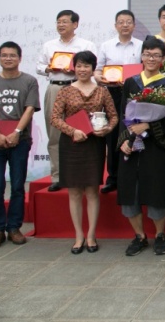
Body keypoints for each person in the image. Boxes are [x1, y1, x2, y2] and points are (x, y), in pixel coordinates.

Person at [117, 37, 165, 257]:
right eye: (147, 54)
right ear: (141, 56)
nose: (151, 58)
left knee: (156, 192)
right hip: (132, 145)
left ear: (163, 59)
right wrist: (124, 141)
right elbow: (123, 113)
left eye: (156, 55)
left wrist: (148, 125)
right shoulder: (131, 82)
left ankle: (160, 235)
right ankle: (140, 236)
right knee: (130, 194)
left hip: (156, 147)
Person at [51, 50, 118, 254]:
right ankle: (78, 235)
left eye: (86, 66)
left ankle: (91, 235)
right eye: (79, 65)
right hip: (72, 144)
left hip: (94, 144)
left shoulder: (102, 91)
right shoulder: (65, 91)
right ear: (74, 68)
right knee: (74, 192)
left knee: (92, 191)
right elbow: (55, 118)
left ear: (93, 68)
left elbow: (114, 116)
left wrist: (107, 129)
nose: (82, 69)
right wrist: (73, 131)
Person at [0, 41, 40, 250]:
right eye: (4, 55)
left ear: (20, 58)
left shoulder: (29, 81)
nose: (8, 58)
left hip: (19, 141)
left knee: (17, 186)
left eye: (12, 55)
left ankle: (14, 227)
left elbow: (29, 109)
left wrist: (16, 132)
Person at [36, 10, 96, 192]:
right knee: (55, 133)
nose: (61, 25)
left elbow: (93, 67)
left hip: (78, 88)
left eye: (65, 22)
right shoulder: (49, 45)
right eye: (58, 22)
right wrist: (49, 68)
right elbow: (39, 66)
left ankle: (81, 175)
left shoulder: (86, 45)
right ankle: (57, 176)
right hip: (55, 87)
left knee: (81, 130)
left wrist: (76, 69)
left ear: (75, 24)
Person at [94, 10, 142, 194]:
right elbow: (97, 71)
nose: (125, 25)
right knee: (113, 134)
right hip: (112, 93)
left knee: (133, 132)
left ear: (134, 25)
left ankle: (134, 175)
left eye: (128, 22)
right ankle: (113, 177)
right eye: (121, 22)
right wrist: (101, 78)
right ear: (115, 25)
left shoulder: (141, 46)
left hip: (134, 94)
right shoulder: (106, 46)